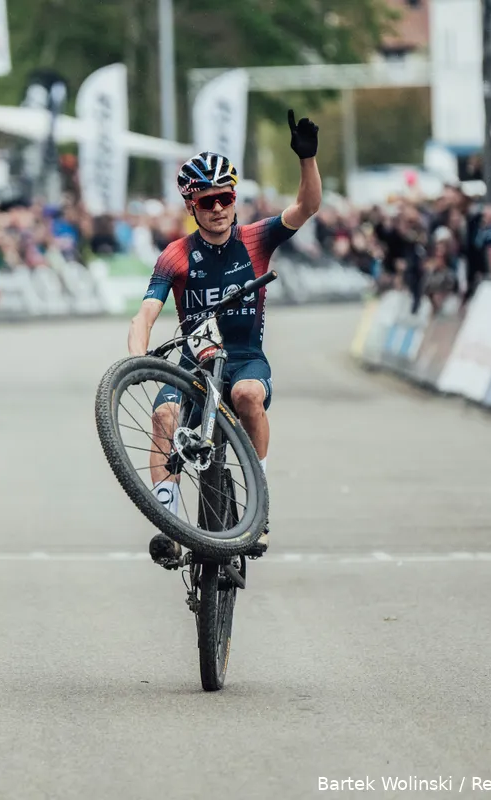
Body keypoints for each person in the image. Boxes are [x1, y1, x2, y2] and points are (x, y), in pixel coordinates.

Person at [127, 110, 322, 563]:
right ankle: (170, 525)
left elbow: (307, 207)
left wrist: (306, 160)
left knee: (248, 394)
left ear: (234, 200)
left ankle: (259, 509)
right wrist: (138, 361)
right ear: (191, 207)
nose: (217, 209)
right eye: (206, 202)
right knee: (165, 419)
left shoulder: (256, 239)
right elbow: (145, 316)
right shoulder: (175, 255)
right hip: (193, 364)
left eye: (224, 199)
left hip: (244, 357)